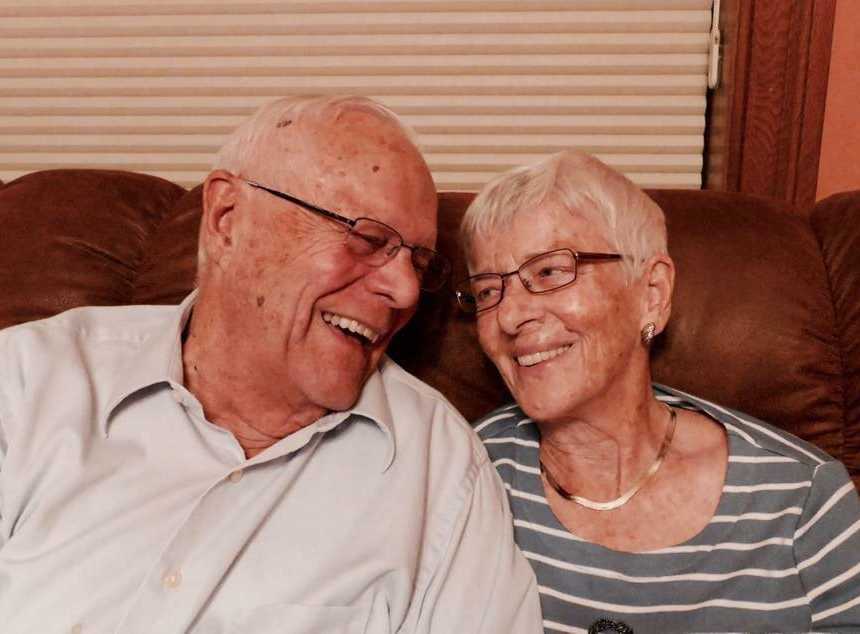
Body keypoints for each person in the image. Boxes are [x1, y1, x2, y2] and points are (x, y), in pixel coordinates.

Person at [0, 96, 542, 633]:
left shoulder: (439, 470)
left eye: (419, 263)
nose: (404, 290)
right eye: (367, 239)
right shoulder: (28, 380)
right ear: (226, 218)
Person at [456, 150, 860, 633]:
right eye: (486, 291)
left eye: (549, 272)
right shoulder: (466, 473)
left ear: (652, 293)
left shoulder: (801, 499)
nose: (508, 316)